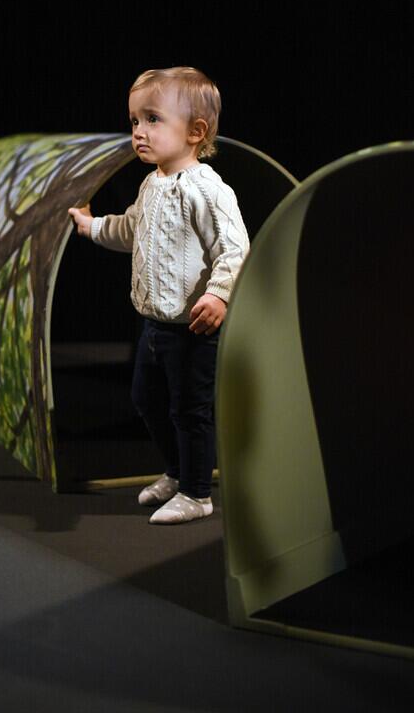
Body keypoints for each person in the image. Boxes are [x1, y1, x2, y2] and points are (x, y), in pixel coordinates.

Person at [68, 66, 250, 524]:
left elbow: (235, 249)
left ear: (195, 131)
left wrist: (220, 296)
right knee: (147, 400)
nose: (138, 131)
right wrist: (91, 226)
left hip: (192, 331)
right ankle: (176, 472)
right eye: (134, 121)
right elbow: (131, 229)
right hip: (153, 327)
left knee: (190, 411)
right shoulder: (151, 184)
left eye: (152, 119)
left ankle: (197, 493)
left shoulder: (207, 189)